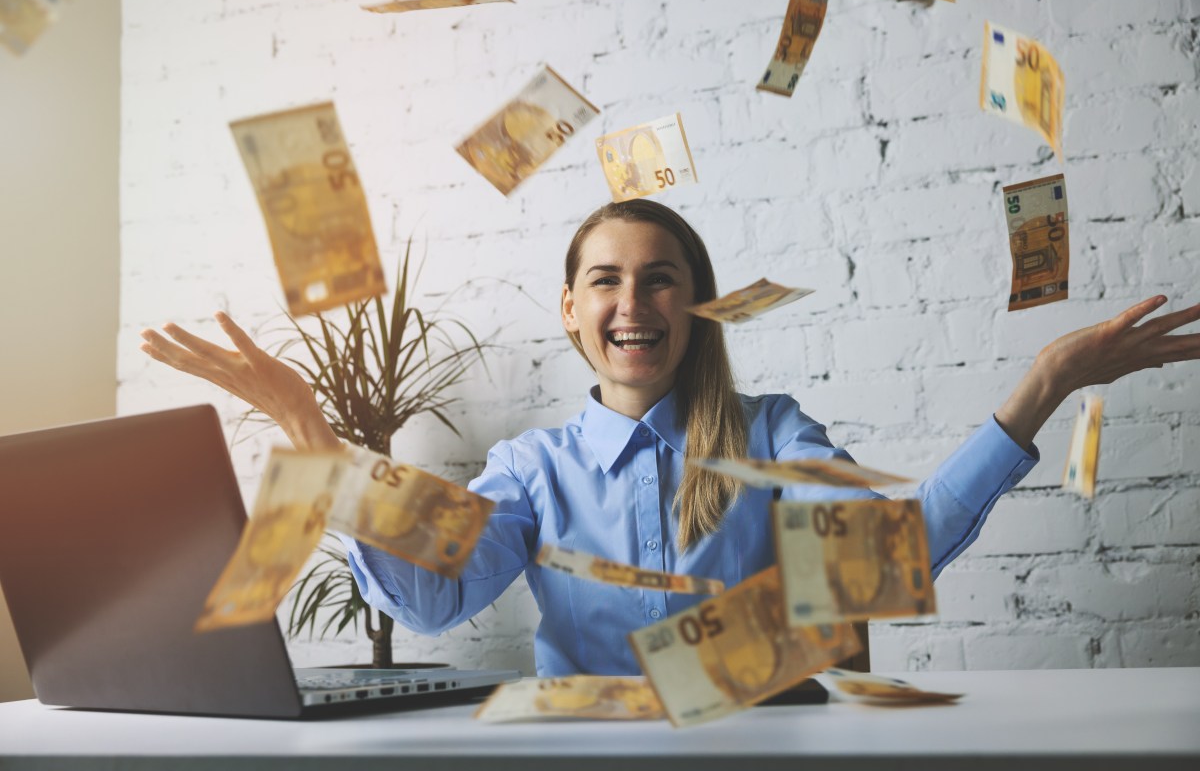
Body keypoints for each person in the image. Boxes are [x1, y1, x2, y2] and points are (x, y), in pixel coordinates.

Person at [141, 199, 1200, 676]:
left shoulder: (773, 434)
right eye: (606, 277)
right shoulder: (530, 470)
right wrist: (304, 427)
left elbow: (890, 559)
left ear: (698, 308)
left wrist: (1045, 383)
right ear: (570, 307)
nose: (633, 299)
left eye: (661, 278)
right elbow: (430, 598)